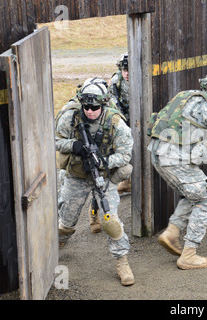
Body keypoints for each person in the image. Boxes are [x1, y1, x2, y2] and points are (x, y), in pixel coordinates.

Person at [147, 72, 207, 269]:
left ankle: (172, 234)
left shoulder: (185, 95)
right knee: (205, 201)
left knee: (193, 193)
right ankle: (189, 255)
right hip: (176, 160)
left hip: (158, 154)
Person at [55, 80, 135, 286]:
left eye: (95, 107)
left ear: (104, 105)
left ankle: (122, 262)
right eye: (87, 107)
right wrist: (73, 145)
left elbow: (126, 154)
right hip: (77, 175)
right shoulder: (70, 116)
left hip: (104, 176)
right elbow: (54, 140)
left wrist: (104, 162)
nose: (90, 111)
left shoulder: (116, 123)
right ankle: (55, 249)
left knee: (111, 220)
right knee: (66, 220)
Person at [108, 53, 131, 194]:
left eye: (129, 70)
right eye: (124, 70)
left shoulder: (143, 79)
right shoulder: (116, 82)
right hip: (122, 121)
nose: (127, 73)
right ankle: (126, 182)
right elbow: (110, 103)